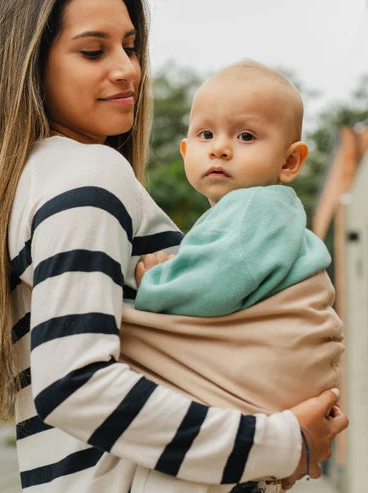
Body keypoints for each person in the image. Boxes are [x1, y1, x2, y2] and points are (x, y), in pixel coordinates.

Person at [0, 2, 348, 493]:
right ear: (31, 64)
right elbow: (74, 385)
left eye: (131, 46)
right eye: (94, 51)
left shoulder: (28, 183)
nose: (127, 70)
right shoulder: (88, 174)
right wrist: (283, 443)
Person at [121, 62, 345, 491]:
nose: (221, 148)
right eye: (206, 135)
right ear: (187, 151)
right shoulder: (256, 212)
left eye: (245, 136)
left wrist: (157, 285)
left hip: (262, 380)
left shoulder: (255, 208)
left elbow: (216, 284)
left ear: (290, 160)